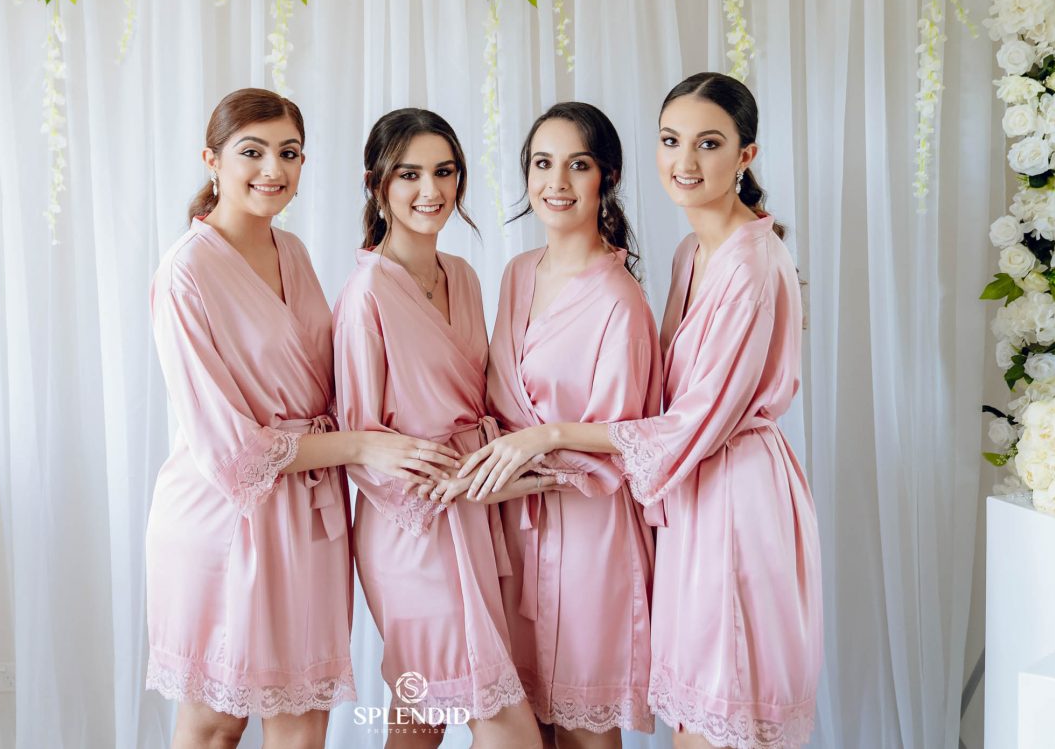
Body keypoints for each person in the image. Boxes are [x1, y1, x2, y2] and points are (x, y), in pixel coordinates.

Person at [459, 74, 822, 749]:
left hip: (734, 494)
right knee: (690, 712)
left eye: (709, 143)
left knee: (718, 715)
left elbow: (694, 418)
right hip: (691, 494)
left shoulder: (748, 265)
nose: (685, 160)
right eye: (671, 140)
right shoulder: (693, 251)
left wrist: (549, 435)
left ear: (746, 155)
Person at [145, 89, 460, 749]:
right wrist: (363, 446)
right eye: (252, 152)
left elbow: (334, 379)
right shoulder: (185, 273)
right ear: (212, 160)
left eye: (288, 153)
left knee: (303, 726)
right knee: (215, 724)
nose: (273, 169)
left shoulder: (292, 252)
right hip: (226, 519)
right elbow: (232, 450)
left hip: (312, 513)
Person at [333, 107, 540, 748]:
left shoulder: (465, 276)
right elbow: (360, 439)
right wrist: (439, 488)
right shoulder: (365, 294)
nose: (432, 190)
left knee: (419, 720)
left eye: (445, 172)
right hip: (411, 529)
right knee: (506, 728)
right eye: (410, 175)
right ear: (377, 185)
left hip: (475, 514)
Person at [470, 102, 662, 746]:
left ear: (607, 177)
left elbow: (629, 438)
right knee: (528, 723)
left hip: (589, 532)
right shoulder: (517, 273)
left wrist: (542, 440)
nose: (556, 182)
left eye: (577, 165)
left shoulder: (620, 301)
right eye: (542, 163)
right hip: (513, 525)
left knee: (584, 727)